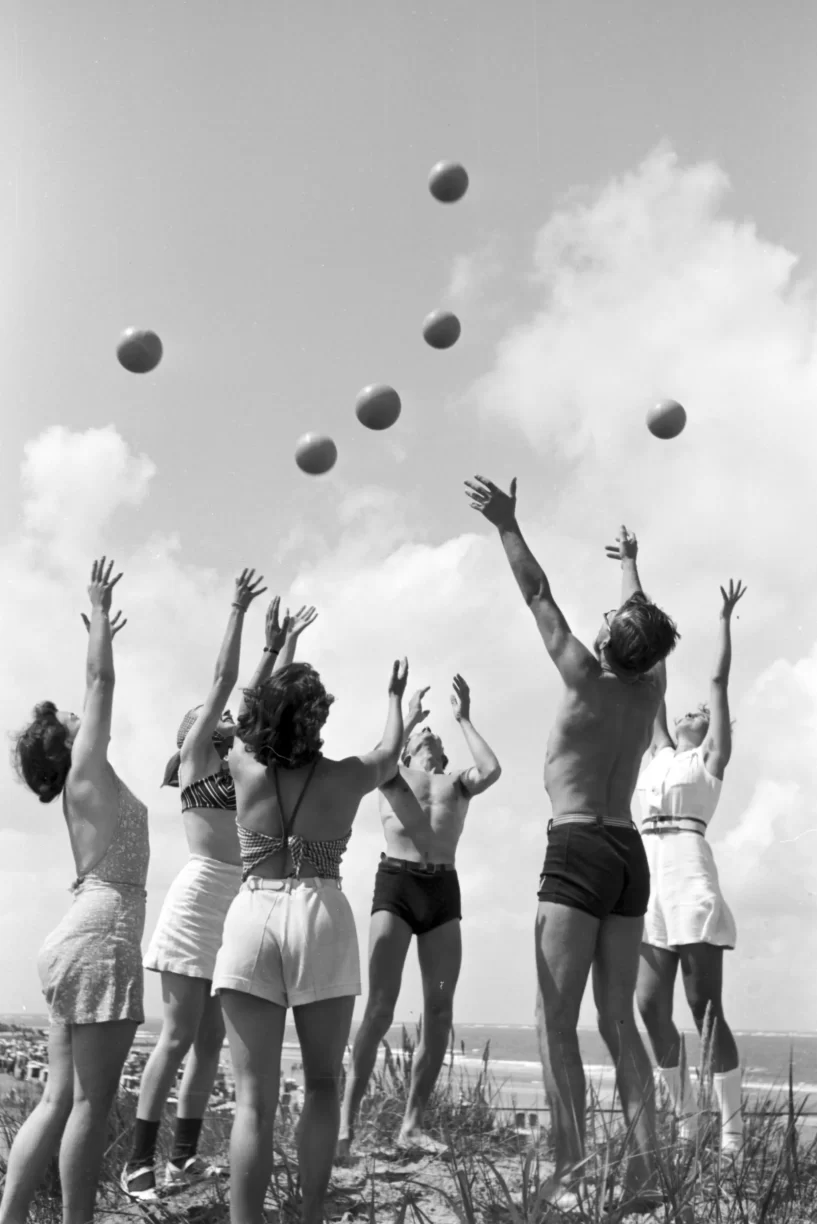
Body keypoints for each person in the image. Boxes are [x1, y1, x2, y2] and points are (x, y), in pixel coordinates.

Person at [465, 477, 680, 1213]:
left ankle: (568, 1171)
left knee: (553, 1022)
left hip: (579, 846)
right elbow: (644, 627)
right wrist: (630, 565)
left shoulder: (585, 676)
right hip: (628, 854)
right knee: (617, 1024)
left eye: (612, 619)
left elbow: (537, 593)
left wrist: (507, 525)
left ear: (608, 641)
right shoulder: (650, 689)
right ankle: (646, 1173)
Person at [122, 569, 319, 1200]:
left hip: (238, 902)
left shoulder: (239, 762)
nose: (229, 719)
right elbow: (227, 683)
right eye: (213, 717)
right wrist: (238, 612)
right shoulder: (195, 761)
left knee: (210, 1041)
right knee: (178, 1036)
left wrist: (283, 645)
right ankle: (138, 1163)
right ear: (192, 733)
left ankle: (181, 1158)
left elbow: (262, 704)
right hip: (198, 898)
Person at [211, 652, 409, 1224]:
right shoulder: (344, 776)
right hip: (321, 912)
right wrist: (395, 698)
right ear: (318, 718)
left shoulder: (245, 764)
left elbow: (242, 714)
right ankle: (312, 1212)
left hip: (253, 913)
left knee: (253, 1100)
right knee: (323, 1084)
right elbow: (389, 751)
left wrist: (272, 649)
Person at [0, 558, 148, 1224]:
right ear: (67, 746)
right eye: (73, 719)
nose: (80, 715)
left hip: (77, 937)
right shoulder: (85, 770)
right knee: (88, 1102)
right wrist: (101, 617)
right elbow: (100, 681)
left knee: (57, 1099)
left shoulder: (87, 784)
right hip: (101, 936)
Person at [338, 675, 501, 1158]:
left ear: (444, 754)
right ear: (407, 751)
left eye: (435, 735)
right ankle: (346, 1123)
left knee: (439, 1010)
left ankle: (411, 1126)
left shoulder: (458, 784)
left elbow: (491, 769)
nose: (430, 736)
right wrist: (406, 718)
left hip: (442, 892)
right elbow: (377, 757)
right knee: (379, 1008)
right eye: (420, 737)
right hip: (397, 885)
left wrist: (463, 717)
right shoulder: (393, 776)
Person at [633, 576, 747, 1157]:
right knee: (650, 1006)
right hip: (650, 887)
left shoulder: (710, 762)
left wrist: (724, 619)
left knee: (705, 1012)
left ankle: (731, 1135)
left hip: (691, 881)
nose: (691, 713)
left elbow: (717, 683)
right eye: (689, 712)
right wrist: (634, 572)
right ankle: (687, 1121)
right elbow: (652, 674)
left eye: (701, 714)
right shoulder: (657, 754)